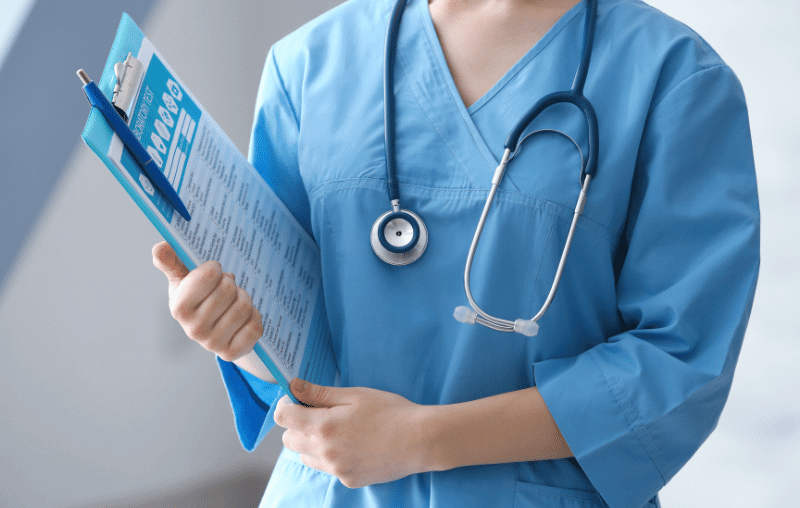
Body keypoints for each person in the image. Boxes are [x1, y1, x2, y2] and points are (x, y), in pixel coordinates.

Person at [151, 0, 760, 506]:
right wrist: (231, 330)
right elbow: (292, 341)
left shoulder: (675, 79)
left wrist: (422, 439)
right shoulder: (309, 62)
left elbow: (678, 364)